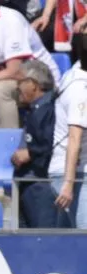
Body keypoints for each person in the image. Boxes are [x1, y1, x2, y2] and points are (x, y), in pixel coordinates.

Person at [0, 0, 60, 128]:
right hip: (4, 77)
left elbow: (15, 70)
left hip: (38, 78)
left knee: (1, 89)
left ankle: (8, 140)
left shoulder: (10, 19)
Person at [12, 59, 58, 227]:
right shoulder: (36, 109)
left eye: (20, 82)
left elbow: (53, 143)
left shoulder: (49, 109)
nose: (17, 87)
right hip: (28, 184)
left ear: (33, 84)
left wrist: (30, 152)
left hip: (41, 186)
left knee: (42, 240)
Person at [49, 36, 87, 228]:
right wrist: (68, 184)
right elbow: (75, 137)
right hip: (74, 175)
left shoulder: (74, 73)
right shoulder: (81, 89)